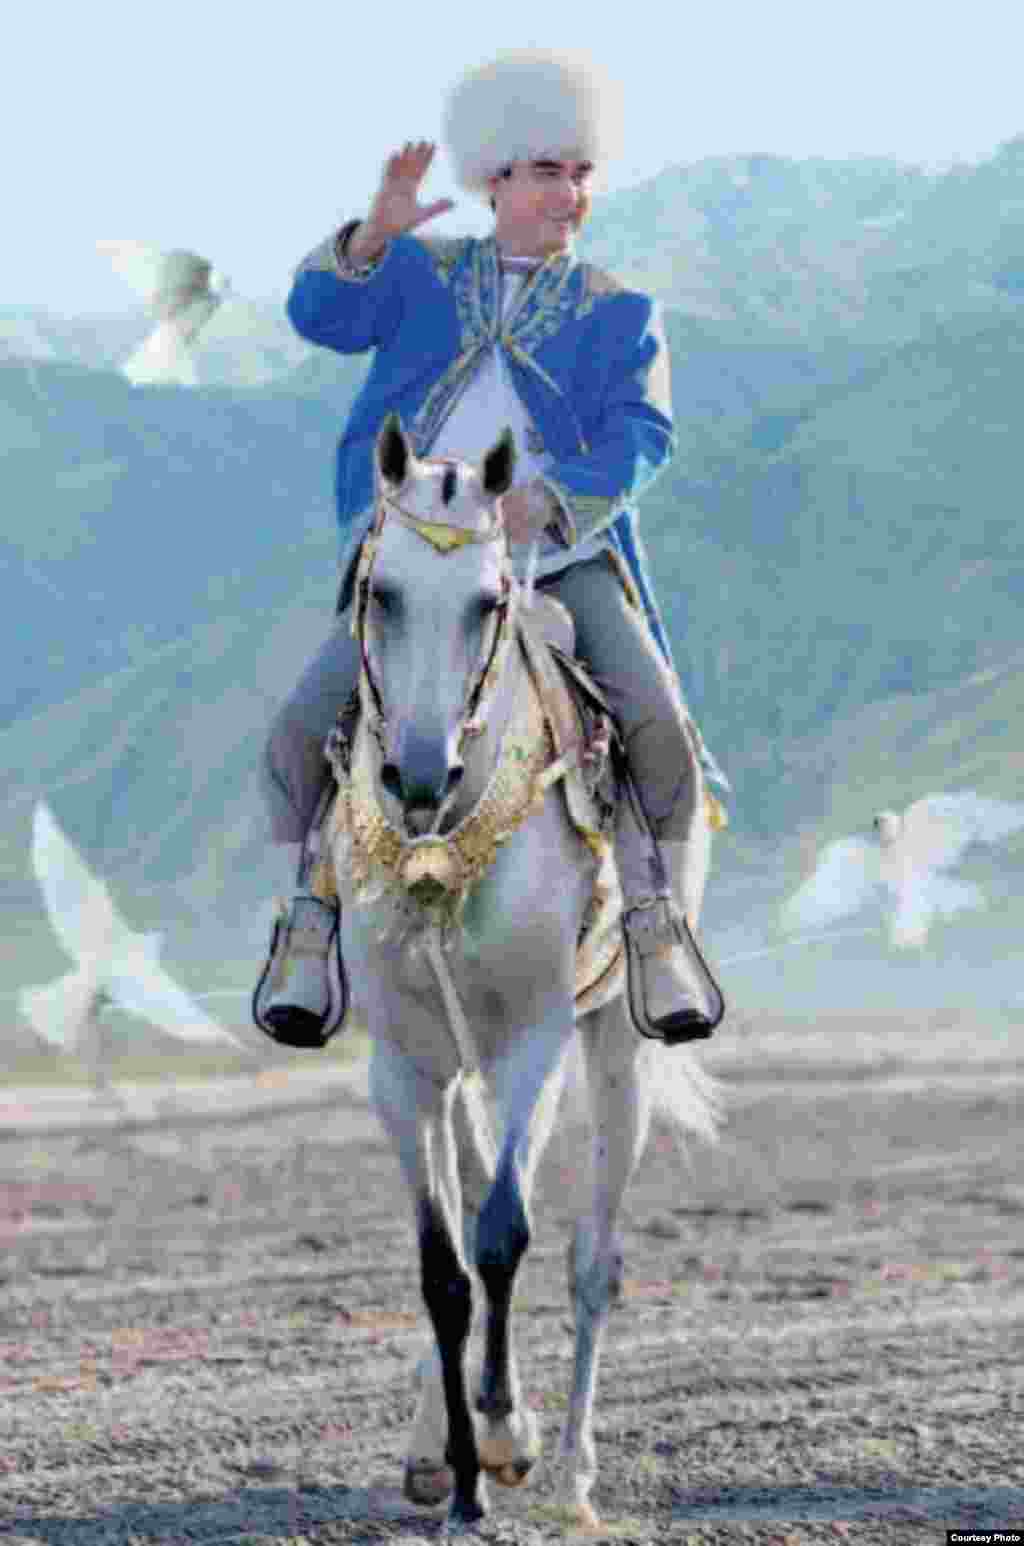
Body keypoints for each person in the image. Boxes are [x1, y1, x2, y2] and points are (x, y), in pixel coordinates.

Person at [256, 49, 726, 1050]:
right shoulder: (417, 273)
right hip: (416, 561)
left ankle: (654, 927)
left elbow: (644, 434)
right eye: (550, 172)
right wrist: (373, 233)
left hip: (557, 560)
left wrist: (549, 502)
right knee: (298, 734)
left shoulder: (620, 310)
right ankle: (307, 924)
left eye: (581, 174)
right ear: (495, 179)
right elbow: (315, 316)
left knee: (658, 727)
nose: (571, 194)